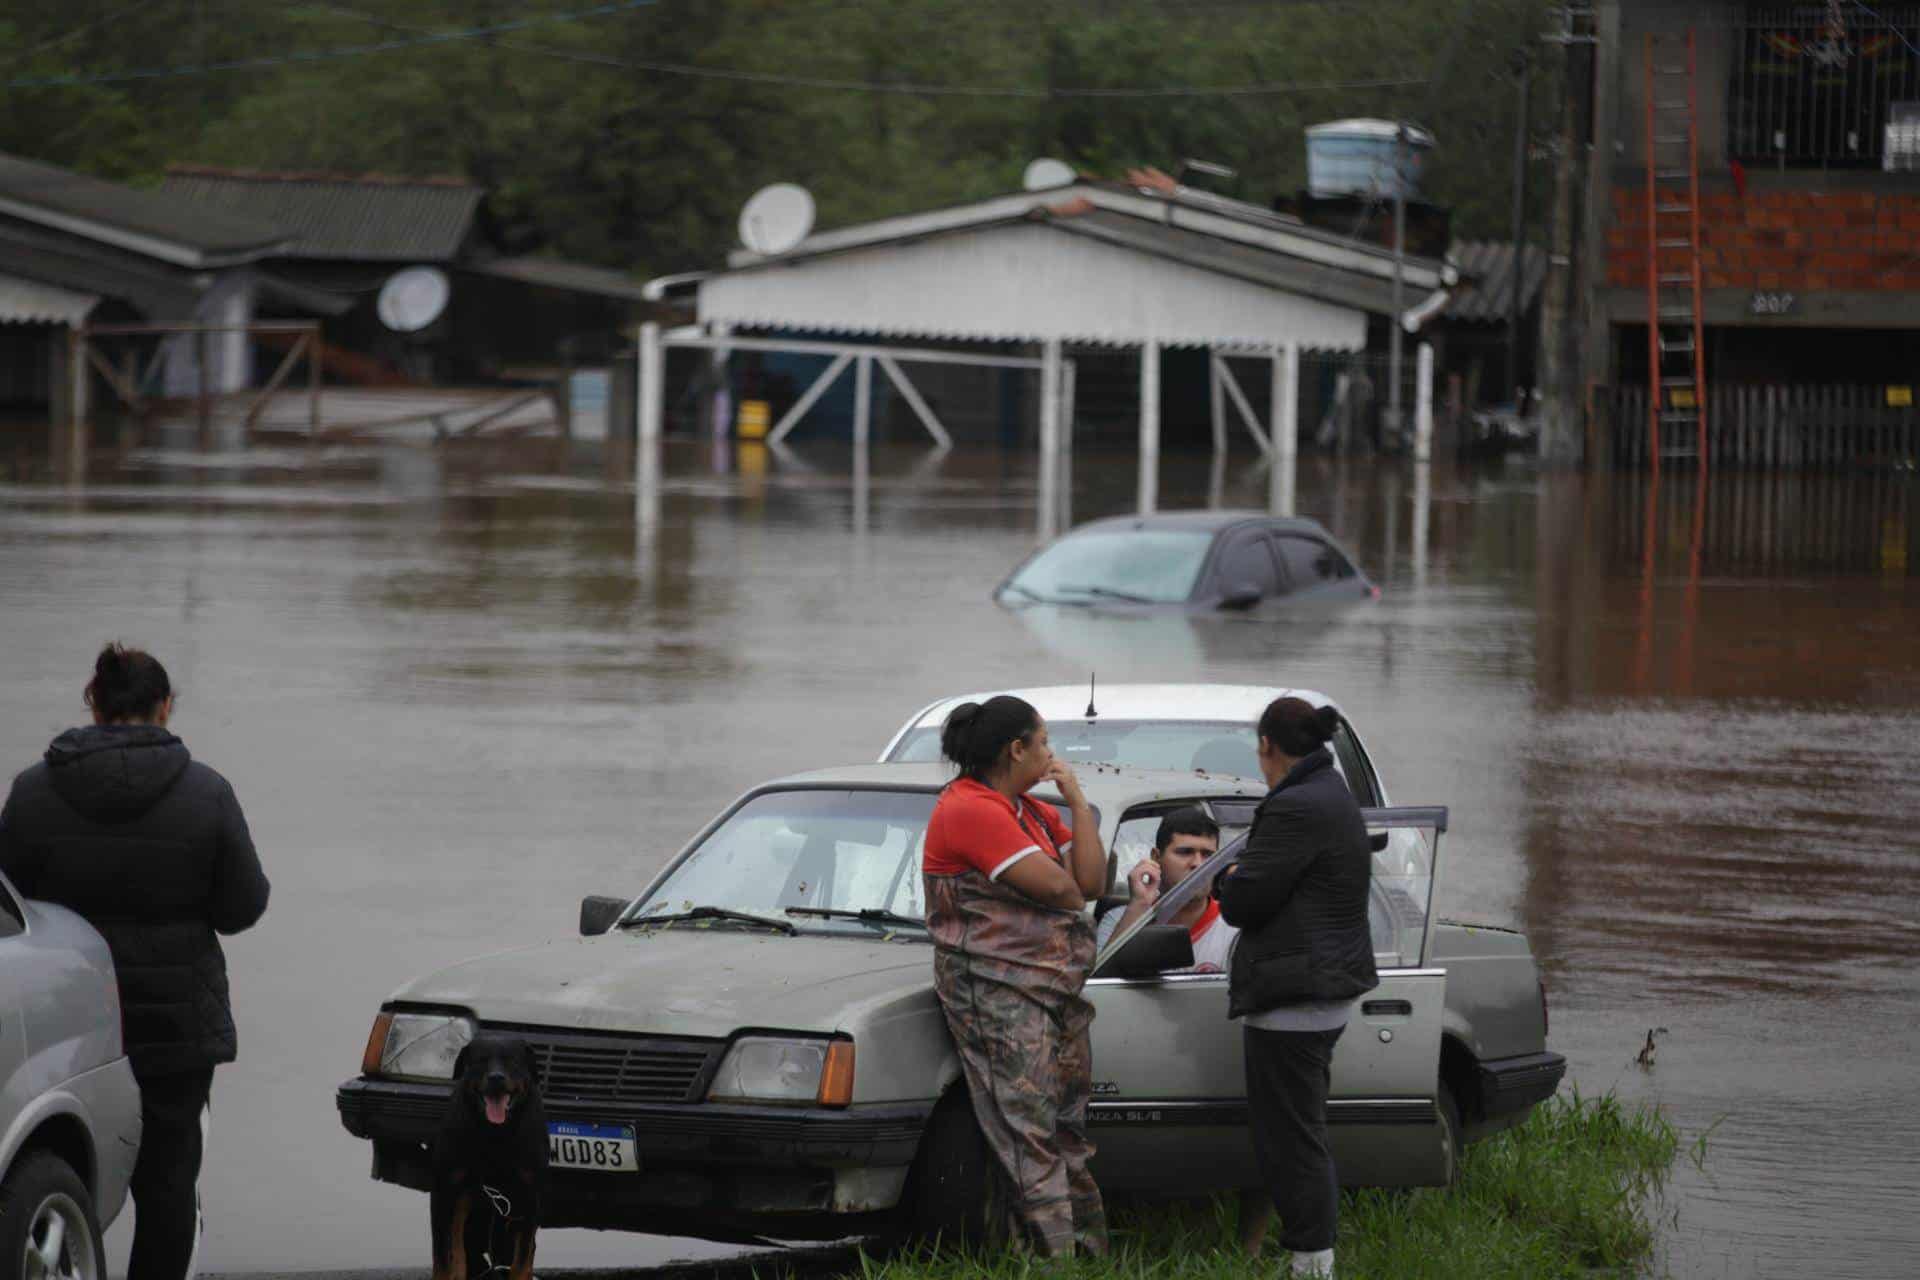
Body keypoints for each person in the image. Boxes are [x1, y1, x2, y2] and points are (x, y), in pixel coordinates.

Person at [0, 644, 269, 1280]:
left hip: (65, 1013)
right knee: (169, 1184)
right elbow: (243, 906)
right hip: (177, 1027)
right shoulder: (208, 792)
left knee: (63, 1168)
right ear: (166, 707)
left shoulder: (36, 792)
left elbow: (8, 900)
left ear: (94, 704)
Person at [921, 695, 1109, 1257]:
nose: (1053, 754)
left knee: (1067, 1126)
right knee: (1027, 1131)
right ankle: (1051, 1260)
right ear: (1016, 748)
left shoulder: (1030, 809)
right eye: (1045, 741)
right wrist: (1071, 880)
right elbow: (1063, 890)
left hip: (1052, 990)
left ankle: (1089, 1254)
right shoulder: (970, 808)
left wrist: (1075, 801)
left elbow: (1092, 883)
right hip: (1001, 994)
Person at [1215, 697, 1378, 1279]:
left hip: (1294, 993)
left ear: (1268, 747)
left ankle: (1310, 1262)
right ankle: (1310, 1254)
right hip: (1321, 988)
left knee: (1292, 1139)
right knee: (1301, 1129)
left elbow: (1243, 903)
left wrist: (1228, 877)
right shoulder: (1331, 793)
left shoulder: (1295, 807)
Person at [1095, 808, 1233, 973]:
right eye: (1185, 852)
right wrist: (1139, 905)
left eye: (1208, 855)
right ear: (1156, 857)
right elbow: (1100, 985)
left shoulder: (1234, 926)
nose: (1198, 863)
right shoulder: (1119, 918)